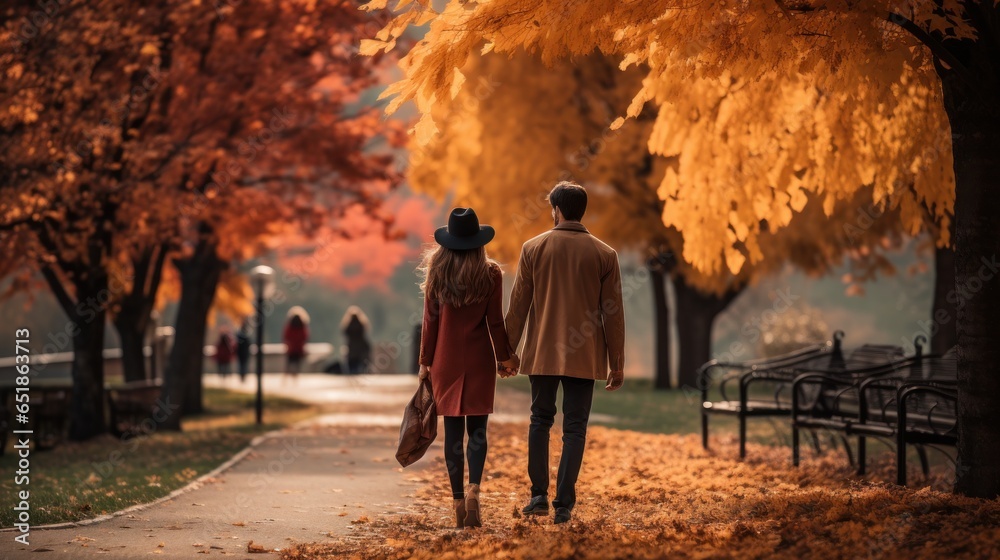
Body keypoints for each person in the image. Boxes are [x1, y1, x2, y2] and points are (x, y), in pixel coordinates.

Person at [505, 181, 625, 525]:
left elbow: (518, 307)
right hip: (584, 356)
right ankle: (564, 505)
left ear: (556, 210)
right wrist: (616, 364)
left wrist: (507, 353)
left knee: (539, 420)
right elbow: (613, 313)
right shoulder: (605, 254)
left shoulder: (533, 248)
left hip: (542, 352)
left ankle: (538, 496)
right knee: (575, 428)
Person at [418, 207, 520, 529]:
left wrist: (424, 363)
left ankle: (459, 502)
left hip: (445, 362)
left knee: (452, 434)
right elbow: (494, 322)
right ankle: (476, 489)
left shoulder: (437, 270)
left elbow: (429, 323)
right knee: (478, 431)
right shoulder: (490, 274)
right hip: (479, 360)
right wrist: (505, 358)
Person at [340, 306, 372, 374]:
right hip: (361, 350)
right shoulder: (362, 325)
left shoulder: (347, 326)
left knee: (352, 369)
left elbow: (344, 334)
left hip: (352, 351)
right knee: (362, 368)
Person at [282, 307, 310, 382]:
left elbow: (286, 336)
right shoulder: (302, 326)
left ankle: (285, 379)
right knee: (297, 365)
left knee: (288, 365)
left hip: (291, 349)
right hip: (299, 348)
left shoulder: (290, 326)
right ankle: (295, 379)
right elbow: (305, 337)